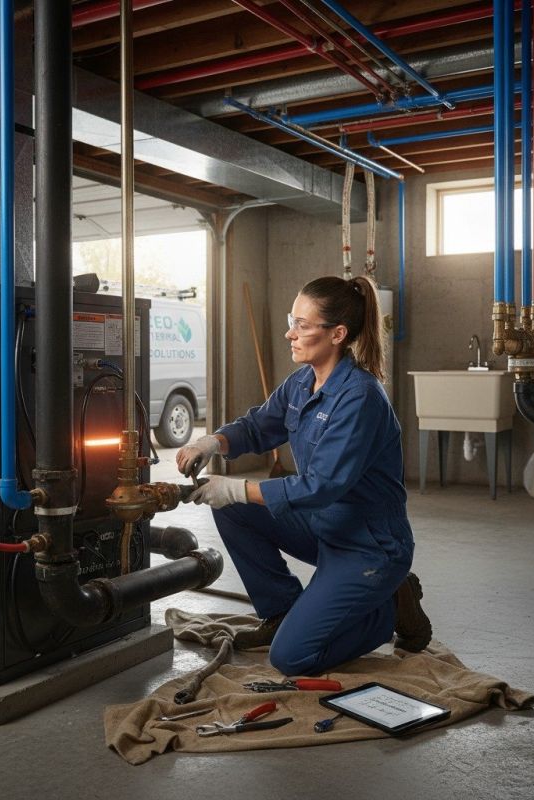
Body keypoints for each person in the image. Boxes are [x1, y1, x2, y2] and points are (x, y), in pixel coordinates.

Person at [176, 275, 431, 677]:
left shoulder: (360, 397)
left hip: (368, 545)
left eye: (302, 325)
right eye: (290, 321)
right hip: (323, 526)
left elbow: (320, 487)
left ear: (337, 334)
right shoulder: (302, 382)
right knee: (231, 510)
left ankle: (389, 609)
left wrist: (237, 488)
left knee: (291, 658)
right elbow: (258, 426)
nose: (289, 333)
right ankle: (281, 610)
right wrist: (212, 442)